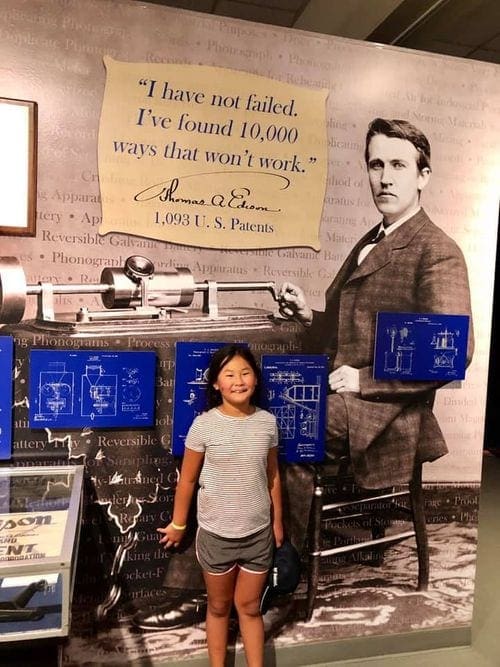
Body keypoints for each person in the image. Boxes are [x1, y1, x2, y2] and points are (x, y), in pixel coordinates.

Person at [278, 118, 474, 502]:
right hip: (345, 396)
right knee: (250, 416)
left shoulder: (437, 251)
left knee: (288, 429)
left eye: (398, 165)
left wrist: (364, 381)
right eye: (376, 164)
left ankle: (287, 561)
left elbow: (451, 353)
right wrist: (307, 316)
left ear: (423, 176)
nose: (385, 178)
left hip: (387, 412)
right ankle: (254, 544)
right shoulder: (373, 239)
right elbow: (351, 328)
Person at [156, 344, 283, 667]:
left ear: (255, 379)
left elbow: (273, 477)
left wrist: (277, 524)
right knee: (217, 607)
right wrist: (179, 524)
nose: (238, 381)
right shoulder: (204, 426)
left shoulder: (267, 423)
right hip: (215, 537)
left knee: (251, 608)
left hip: (258, 536)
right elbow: (187, 480)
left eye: (245, 372)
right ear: (215, 383)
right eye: (229, 374)